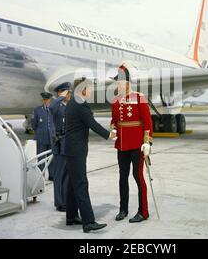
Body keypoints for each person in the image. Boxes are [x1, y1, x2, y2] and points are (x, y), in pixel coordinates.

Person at [64, 78, 117, 233]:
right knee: (81, 184)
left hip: (71, 149)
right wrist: (109, 135)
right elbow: (92, 124)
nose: (91, 91)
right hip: (76, 151)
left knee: (72, 185)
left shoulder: (72, 103)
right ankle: (88, 222)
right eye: (89, 88)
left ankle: (71, 216)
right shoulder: (80, 105)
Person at [111, 64, 153, 223]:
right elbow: (114, 121)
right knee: (122, 177)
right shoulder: (115, 100)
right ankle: (123, 209)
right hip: (122, 145)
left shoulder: (139, 97)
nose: (118, 84)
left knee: (138, 176)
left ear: (128, 82)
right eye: (117, 82)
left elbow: (147, 122)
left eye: (120, 81)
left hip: (137, 145)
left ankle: (143, 211)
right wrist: (113, 130)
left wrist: (147, 142)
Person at [50, 82, 74, 212]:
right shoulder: (56, 106)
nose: (69, 95)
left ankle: (65, 199)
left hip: (68, 145)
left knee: (66, 175)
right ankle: (59, 202)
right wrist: (60, 97)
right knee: (59, 175)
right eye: (66, 93)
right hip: (59, 145)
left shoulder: (68, 106)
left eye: (69, 92)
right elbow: (51, 107)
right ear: (60, 93)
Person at [31, 92, 55, 180]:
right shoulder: (37, 110)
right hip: (41, 138)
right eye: (44, 99)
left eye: (47, 99)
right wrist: (39, 132)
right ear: (42, 100)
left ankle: (52, 175)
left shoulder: (54, 109)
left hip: (52, 138)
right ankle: (41, 176)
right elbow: (34, 124)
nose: (45, 101)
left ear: (50, 100)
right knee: (41, 158)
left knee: (51, 157)